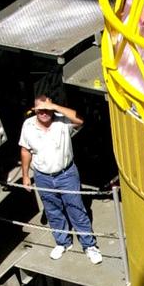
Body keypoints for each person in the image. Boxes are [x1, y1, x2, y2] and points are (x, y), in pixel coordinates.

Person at [19, 95, 103, 263]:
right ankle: (63, 243)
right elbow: (25, 150)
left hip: (66, 175)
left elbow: (79, 120)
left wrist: (55, 106)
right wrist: (26, 175)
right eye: (40, 110)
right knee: (52, 211)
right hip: (43, 177)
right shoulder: (28, 126)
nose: (44, 113)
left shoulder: (62, 121)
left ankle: (89, 246)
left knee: (76, 210)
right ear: (35, 110)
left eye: (47, 110)